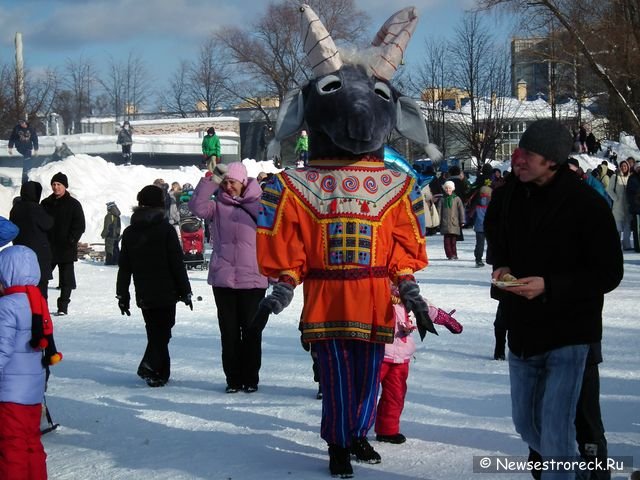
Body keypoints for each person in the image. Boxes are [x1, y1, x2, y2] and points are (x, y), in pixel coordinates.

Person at [254, 6, 438, 477]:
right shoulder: (297, 186)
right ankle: (340, 441)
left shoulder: (396, 186)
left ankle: (355, 432)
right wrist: (281, 288)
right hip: (328, 296)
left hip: (375, 298)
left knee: (367, 376)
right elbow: (292, 250)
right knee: (336, 376)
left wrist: (410, 291)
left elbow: (401, 249)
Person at [485, 119, 623, 480]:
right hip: (523, 328)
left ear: (552, 160)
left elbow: (609, 273)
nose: (517, 159)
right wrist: (502, 267)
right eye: (519, 151)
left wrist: (550, 286)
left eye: (528, 154)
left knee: (561, 428)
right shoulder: (507, 196)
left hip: (570, 332)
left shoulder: (587, 205)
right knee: (527, 424)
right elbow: (497, 240)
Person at [188, 162, 268, 393]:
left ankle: (251, 378)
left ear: (243, 182)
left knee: (252, 331)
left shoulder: (260, 204)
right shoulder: (217, 207)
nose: (228, 187)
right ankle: (233, 379)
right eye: (224, 183)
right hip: (224, 279)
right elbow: (196, 206)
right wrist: (211, 180)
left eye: (232, 182)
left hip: (253, 279)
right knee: (229, 332)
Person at [116, 185, 193, 387]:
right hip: (167, 290)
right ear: (160, 205)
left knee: (155, 331)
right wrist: (185, 290)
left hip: (144, 290)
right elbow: (177, 263)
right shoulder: (166, 230)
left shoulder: (131, 231)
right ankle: (150, 366)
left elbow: (124, 267)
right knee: (163, 331)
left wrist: (122, 294)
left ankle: (159, 373)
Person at [375, 285, 461, 445]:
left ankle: (387, 430)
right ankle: (355, 432)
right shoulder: (376, 293)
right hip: (376, 353)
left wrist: (444, 318)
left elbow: (425, 307)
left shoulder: (408, 297)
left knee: (395, 395)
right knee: (364, 395)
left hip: (401, 355)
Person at [0, 245, 49, 480]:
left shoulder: (7, 306)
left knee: (11, 447)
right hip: (32, 392)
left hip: (9, 393)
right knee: (31, 442)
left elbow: (1, 349)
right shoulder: (36, 301)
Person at [41, 172, 86, 316]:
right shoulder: (46, 203)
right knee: (43, 278)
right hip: (49, 247)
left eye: (59, 184)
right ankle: (43, 305)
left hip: (66, 247)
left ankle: (63, 306)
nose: (56, 187)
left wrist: (72, 240)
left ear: (65, 186)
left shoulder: (73, 204)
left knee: (66, 280)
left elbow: (80, 225)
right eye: (53, 184)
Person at [9, 181, 54, 297]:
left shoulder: (16, 208)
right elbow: (48, 224)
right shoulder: (35, 208)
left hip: (19, 251)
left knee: (23, 286)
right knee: (40, 288)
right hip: (38, 252)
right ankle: (40, 313)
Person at [606, 159, 632, 250]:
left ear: (628, 167)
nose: (624, 167)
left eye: (625, 166)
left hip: (627, 206)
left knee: (627, 227)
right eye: (622, 166)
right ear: (620, 167)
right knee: (618, 227)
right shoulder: (615, 176)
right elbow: (609, 190)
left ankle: (627, 245)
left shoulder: (630, 177)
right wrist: (616, 198)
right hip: (618, 206)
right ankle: (616, 246)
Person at [438, 180, 465, 260]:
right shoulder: (442, 199)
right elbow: (439, 211)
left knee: (453, 240)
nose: (448, 190)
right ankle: (449, 254)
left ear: (452, 189)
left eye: (449, 188)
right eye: (446, 188)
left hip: (454, 222)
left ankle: (454, 254)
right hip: (445, 222)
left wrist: (462, 220)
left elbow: (461, 210)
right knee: (446, 241)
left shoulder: (457, 199)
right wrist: (438, 222)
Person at [8, 118, 39, 183]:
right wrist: (10, 147)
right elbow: (12, 138)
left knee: (28, 162)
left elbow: (35, 139)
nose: (21, 124)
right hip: (20, 146)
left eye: (23, 123)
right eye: (20, 123)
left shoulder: (31, 129)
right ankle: (26, 176)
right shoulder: (17, 128)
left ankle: (27, 177)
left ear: (26, 123)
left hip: (28, 147)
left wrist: (36, 149)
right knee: (27, 159)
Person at [473, 184, 492, 267]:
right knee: (490, 243)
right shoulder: (492, 202)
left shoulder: (476, 202)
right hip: (489, 226)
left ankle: (478, 259)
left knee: (479, 244)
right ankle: (490, 258)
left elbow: (472, 214)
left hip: (478, 226)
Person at [100, 201, 122, 266]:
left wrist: (103, 235)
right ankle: (116, 261)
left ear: (109, 208)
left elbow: (106, 227)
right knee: (116, 249)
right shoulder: (117, 216)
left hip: (110, 236)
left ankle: (109, 262)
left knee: (109, 249)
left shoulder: (108, 216)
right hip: (116, 236)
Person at [627, 162, 640, 252]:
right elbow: (629, 193)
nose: (639, 169)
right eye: (637, 167)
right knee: (637, 229)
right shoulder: (632, 178)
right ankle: (638, 246)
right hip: (636, 208)